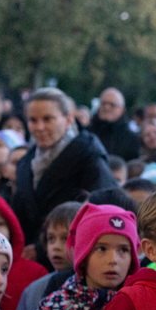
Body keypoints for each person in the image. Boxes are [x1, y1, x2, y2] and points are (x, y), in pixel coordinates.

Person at [12, 87, 118, 244]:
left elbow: (103, 209)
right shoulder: (25, 163)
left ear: (68, 119)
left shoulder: (89, 157)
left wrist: (42, 247)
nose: (39, 127)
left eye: (47, 119)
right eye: (33, 120)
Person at [88, 87, 142, 161]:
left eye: (112, 105)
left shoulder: (132, 140)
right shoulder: (87, 133)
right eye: (103, 103)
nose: (106, 107)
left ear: (122, 110)